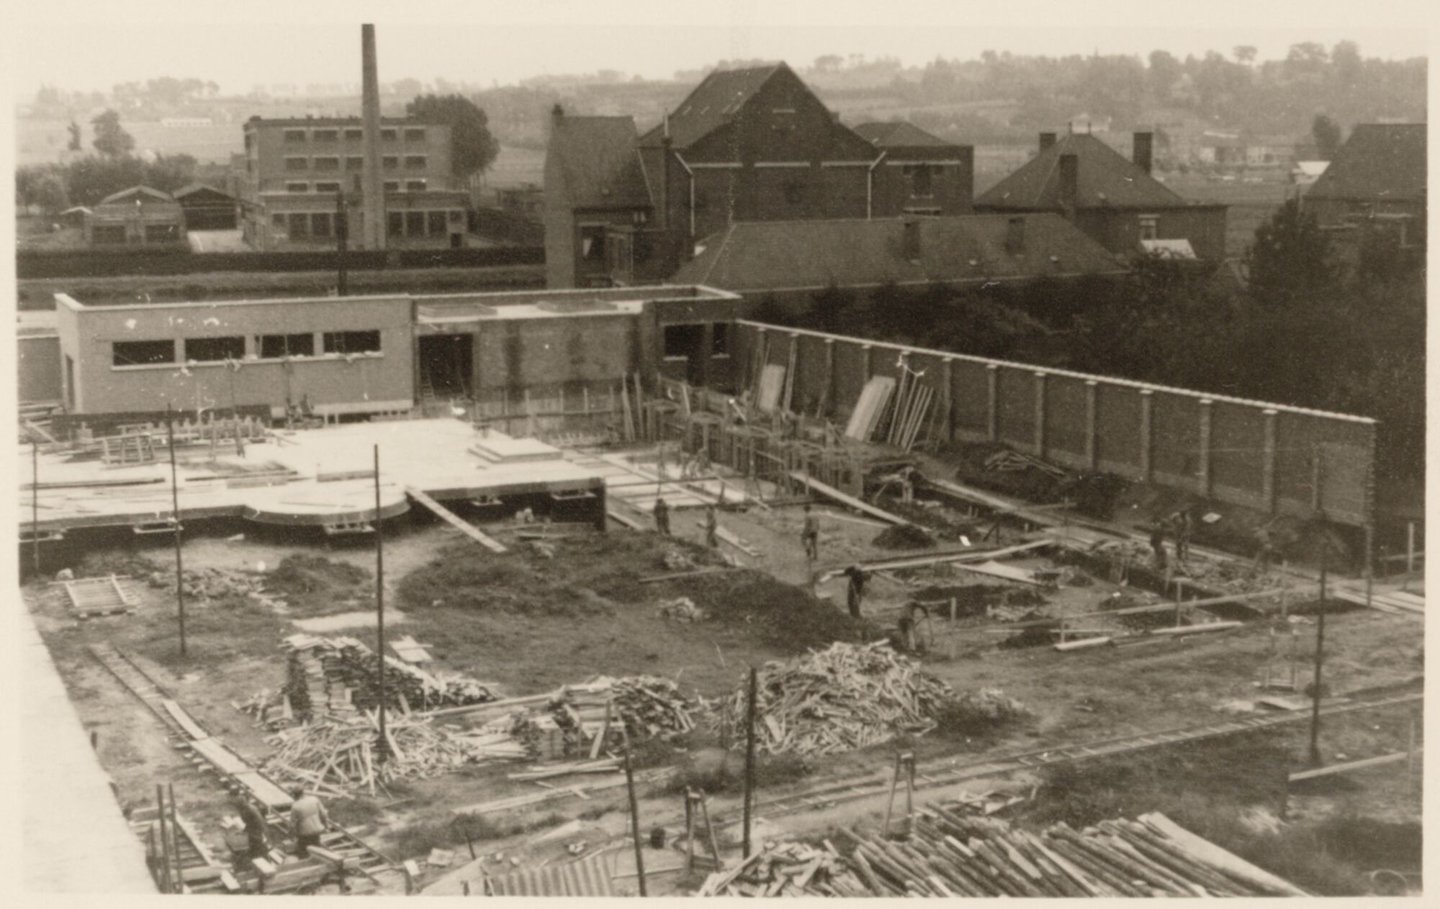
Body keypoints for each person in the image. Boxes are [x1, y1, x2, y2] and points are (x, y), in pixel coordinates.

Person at [289, 787, 332, 858]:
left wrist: (291, 835)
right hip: (317, 830)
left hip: (304, 834)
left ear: (294, 795)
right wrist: (327, 826)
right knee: (317, 848)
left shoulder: (295, 806)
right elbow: (323, 814)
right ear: (303, 792)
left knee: (303, 851)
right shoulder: (314, 799)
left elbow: (292, 825)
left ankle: (304, 860)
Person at [231, 793, 270, 871]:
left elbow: (260, 821)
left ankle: (264, 863)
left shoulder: (250, 809)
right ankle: (254, 862)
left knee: (258, 848)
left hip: (257, 831)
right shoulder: (244, 810)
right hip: (251, 829)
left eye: (238, 806)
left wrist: (264, 833)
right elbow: (249, 823)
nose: (238, 809)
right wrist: (245, 831)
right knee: (251, 847)